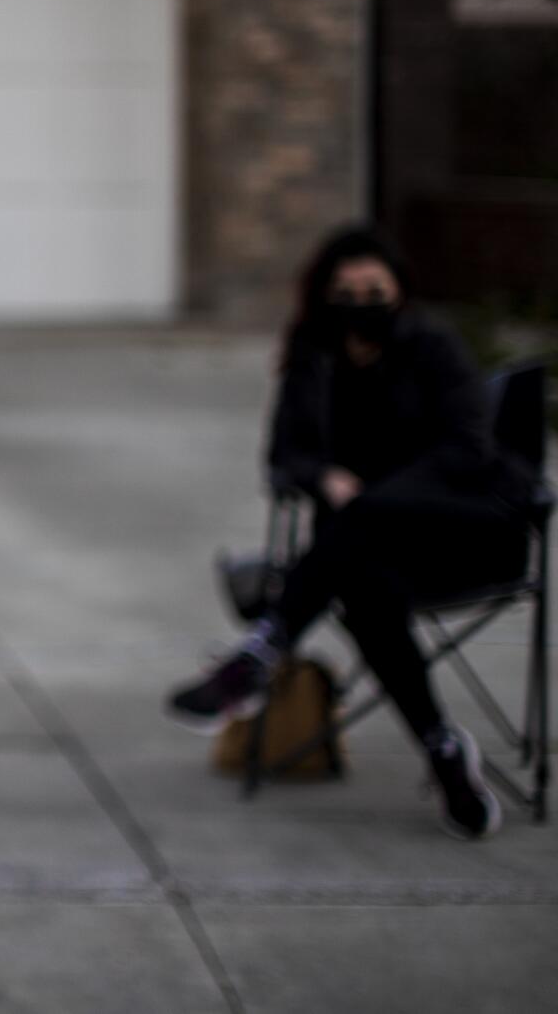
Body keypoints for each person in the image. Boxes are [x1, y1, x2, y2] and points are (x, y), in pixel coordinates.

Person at [165, 225, 540, 839]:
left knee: (358, 533)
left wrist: (374, 498)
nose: (362, 302)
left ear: (399, 291)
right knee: (367, 597)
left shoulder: (435, 348)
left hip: (457, 537)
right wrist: (325, 476)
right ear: (325, 296)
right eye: (347, 291)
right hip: (366, 555)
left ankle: (264, 647)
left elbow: (467, 450)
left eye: (375, 289)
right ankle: (443, 749)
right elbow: (284, 455)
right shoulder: (313, 358)